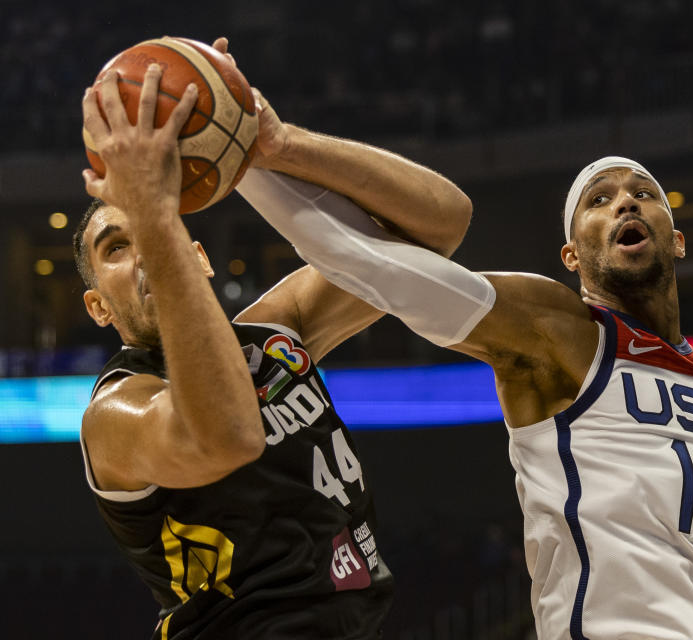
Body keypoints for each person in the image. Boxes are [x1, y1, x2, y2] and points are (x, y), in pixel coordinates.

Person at [236, 156, 693, 639]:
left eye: (643, 193)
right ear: (572, 256)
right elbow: (375, 265)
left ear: (677, 239)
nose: (625, 201)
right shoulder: (558, 332)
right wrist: (258, 151)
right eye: (598, 199)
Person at [75, 38, 471, 639]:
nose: (142, 255)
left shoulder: (277, 329)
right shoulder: (114, 414)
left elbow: (440, 227)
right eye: (116, 248)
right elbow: (228, 435)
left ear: (200, 258)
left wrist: (278, 148)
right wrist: (155, 215)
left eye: (148, 232)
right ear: (98, 306)